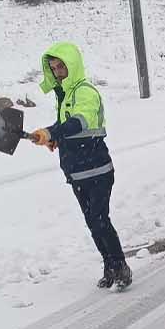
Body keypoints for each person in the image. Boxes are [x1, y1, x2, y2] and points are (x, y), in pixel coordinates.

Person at [31, 42, 131, 290]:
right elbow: (67, 129)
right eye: (53, 68)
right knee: (92, 221)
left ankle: (121, 266)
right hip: (77, 172)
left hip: (97, 170)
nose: (57, 72)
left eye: (61, 66)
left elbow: (79, 123)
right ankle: (109, 266)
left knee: (99, 219)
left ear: (72, 65)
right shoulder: (64, 97)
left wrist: (53, 131)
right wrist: (53, 138)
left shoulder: (85, 92)